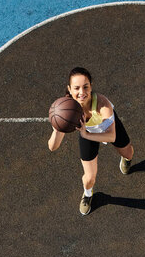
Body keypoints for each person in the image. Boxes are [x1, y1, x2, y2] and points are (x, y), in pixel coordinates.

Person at [48, 67, 134, 216]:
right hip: (87, 133)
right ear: (69, 89)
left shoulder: (102, 104)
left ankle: (126, 159)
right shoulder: (66, 110)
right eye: (76, 88)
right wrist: (57, 128)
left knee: (129, 153)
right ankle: (88, 194)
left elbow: (111, 136)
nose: (82, 92)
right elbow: (52, 147)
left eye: (85, 87)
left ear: (91, 86)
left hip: (102, 130)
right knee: (89, 178)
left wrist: (86, 134)